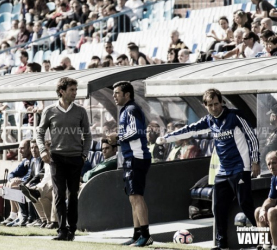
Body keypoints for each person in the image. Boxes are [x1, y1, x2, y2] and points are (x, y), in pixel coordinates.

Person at [156, 88, 260, 250]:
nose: (214, 108)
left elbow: (252, 137)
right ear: (205, 106)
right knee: (217, 207)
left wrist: (255, 160)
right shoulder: (209, 120)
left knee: (245, 204)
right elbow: (189, 129)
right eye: (210, 105)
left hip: (240, 168)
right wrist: (167, 138)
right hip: (223, 171)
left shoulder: (234, 116)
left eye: (216, 104)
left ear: (222, 102)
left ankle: (263, 241)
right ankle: (222, 244)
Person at [36, 77, 92, 241]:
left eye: (76, 90)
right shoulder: (50, 110)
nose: (75, 93)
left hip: (76, 158)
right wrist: (42, 150)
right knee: (59, 194)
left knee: (73, 194)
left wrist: (84, 154)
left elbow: (88, 135)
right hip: (57, 158)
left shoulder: (80, 111)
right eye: (72, 90)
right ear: (62, 91)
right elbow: (39, 133)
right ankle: (62, 230)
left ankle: (72, 229)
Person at [108, 81, 153, 247]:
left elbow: (135, 132)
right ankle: (137, 234)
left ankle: (146, 236)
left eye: (117, 93)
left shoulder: (132, 109)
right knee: (133, 197)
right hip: (131, 158)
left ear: (127, 94)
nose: (114, 96)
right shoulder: (125, 110)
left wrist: (117, 137)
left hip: (137, 157)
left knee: (136, 196)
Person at [1, 139, 33, 227]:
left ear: (29, 149)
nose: (19, 151)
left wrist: (20, 179)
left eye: (22, 148)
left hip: (32, 183)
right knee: (10, 183)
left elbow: (33, 174)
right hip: (25, 183)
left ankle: (20, 215)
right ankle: (14, 215)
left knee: (13, 186)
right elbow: (12, 173)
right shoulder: (25, 160)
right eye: (19, 148)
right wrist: (12, 179)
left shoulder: (34, 159)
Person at [255, 151, 277, 250]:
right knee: (258, 211)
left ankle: (275, 247)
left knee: (272, 212)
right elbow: (271, 199)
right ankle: (266, 246)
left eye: (274, 163)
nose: (271, 166)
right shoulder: (274, 179)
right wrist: (263, 209)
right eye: (269, 164)